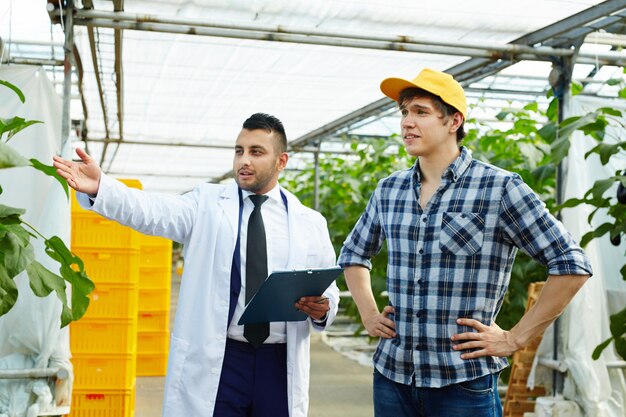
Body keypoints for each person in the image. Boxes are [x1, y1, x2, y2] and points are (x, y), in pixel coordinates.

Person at [337, 68, 592, 417]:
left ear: (454, 120)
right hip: (392, 377)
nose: (407, 123)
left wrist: (514, 338)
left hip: (462, 383)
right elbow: (354, 253)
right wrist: (368, 313)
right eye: (404, 112)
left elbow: (571, 263)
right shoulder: (389, 190)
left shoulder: (499, 188)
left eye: (421, 112)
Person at [53, 113, 340, 417]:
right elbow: (152, 211)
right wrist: (103, 187)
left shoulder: (310, 223)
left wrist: (324, 308)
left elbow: (328, 289)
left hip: (280, 364)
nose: (244, 160)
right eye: (239, 150)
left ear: (281, 161)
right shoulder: (206, 204)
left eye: (256, 152)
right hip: (223, 359)